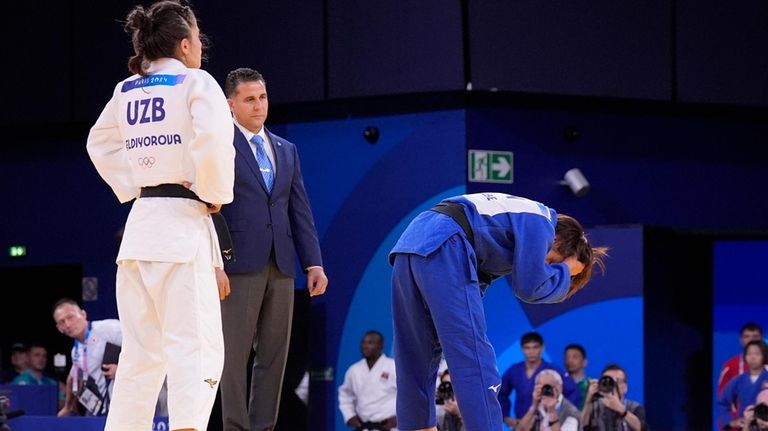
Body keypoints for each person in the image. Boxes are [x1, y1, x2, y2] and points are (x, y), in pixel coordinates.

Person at [85, 1, 235, 430]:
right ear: (185, 44)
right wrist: (213, 191)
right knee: (197, 348)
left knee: (140, 355)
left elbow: (99, 144)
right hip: (181, 230)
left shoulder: (126, 90)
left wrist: (136, 183)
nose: (201, 49)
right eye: (198, 39)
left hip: (139, 230)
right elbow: (211, 142)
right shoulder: (195, 82)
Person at [389, 192, 607, 431]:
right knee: (474, 358)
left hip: (411, 243)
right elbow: (530, 288)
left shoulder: (514, 226)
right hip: (447, 243)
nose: (547, 270)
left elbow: (477, 277)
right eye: (553, 264)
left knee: (416, 355)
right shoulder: (542, 221)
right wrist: (567, 270)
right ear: (561, 243)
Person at [219, 67, 328, 431]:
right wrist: (216, 261)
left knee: (274, 355)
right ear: (230, 103)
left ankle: (264, 427)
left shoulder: (286, 149)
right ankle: (235, 426)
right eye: (249, 99)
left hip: (281, 264)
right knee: (233, 357)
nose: (258, 106)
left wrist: (313, 263)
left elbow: (300, 209)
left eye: (262, 97)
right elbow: (210, 208)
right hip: (237, 264)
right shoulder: (218, 145)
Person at [53, 298, 122, 417]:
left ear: (83, 314)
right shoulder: (76, 350)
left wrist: (122, 370)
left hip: (131, 402)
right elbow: (72, 378)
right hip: (106, 410)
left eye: (70, 317)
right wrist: (68, 407)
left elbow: (143, 346)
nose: (68, 324)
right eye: (62, 322)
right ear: (59, 328)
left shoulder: (108, 328)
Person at [498, 332, 580, 427]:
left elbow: (573, 392)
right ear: (522, 349)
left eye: (535, 347)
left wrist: (558, 416)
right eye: (527, 348)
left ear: (542, 348)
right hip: (523, 424)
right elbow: (501, 393)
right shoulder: (514, 370)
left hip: (546, 425)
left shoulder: (553, 370)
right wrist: (505, 417)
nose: (531, 352)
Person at [338, 331, 397, 431]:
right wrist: (350, 416)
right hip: (364, 426)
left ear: (380, 346)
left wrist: (400, 418)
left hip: (389, 427)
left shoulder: (393, 367)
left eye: (370, 343)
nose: (365, 346)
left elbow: (408, 395)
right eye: (363, 342)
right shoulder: (354, 370)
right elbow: (345, 395)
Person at [581, 364, 648, 431]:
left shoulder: (634, 407)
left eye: (617, 381)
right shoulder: (595, 407)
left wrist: (621, 409)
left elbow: (641, 428)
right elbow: (581, 427)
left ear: (625, 387)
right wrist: (588, 400)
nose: (613, 385)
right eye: (608, 381)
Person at [719, 340, 768, 430]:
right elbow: (723, 403)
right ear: (744, 356)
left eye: (757, 354)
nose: (753, 357)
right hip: (746, 426)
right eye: (749, 354)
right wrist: (730, 421)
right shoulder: (738, 380)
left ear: (764, 355)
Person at [515, 369, 580, 431]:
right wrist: (533, 407)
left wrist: (552, 412)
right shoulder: (537, 407)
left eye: (548, 387)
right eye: (541, 387)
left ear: (560, 387)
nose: (545, 391)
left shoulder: (570, 413)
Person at [719, 323, 765, 395]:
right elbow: (723, 394)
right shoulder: (731, 365)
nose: (751, 340)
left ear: (762, 339)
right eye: (747, 337)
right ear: (741, 340)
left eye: (755, 336)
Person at [563, 343, 591, 409]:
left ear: (584, 362)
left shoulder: (591, 385)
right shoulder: (559, 384)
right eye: (567, 357)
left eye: (575, 357)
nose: (570, 360)